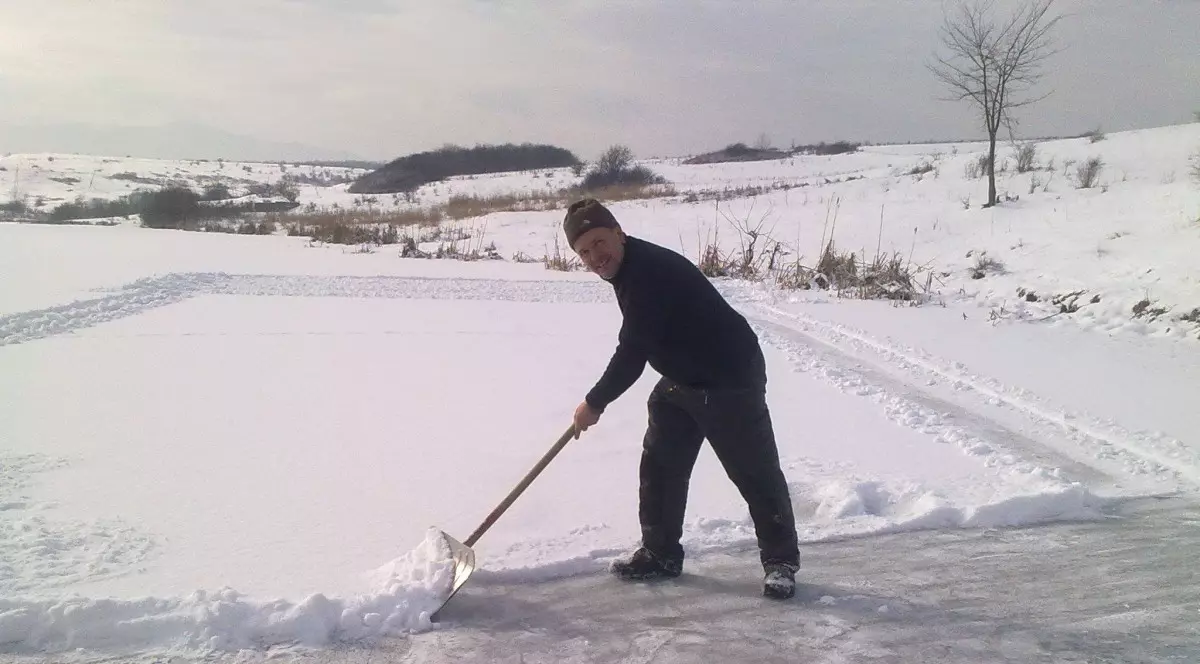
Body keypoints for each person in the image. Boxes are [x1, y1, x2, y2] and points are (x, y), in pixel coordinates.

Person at [562, 197, 800, 600]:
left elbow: (632, 351)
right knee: (661, 465)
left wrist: (594, 403)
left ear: (619, 233)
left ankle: (781, 563)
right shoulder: (627, 267)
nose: (594, 257)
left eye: (599, 242)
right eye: (583, 252)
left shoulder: (647, 273)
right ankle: (660, 554)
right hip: (681, 378)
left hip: (728, 378)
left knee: (754, 472)